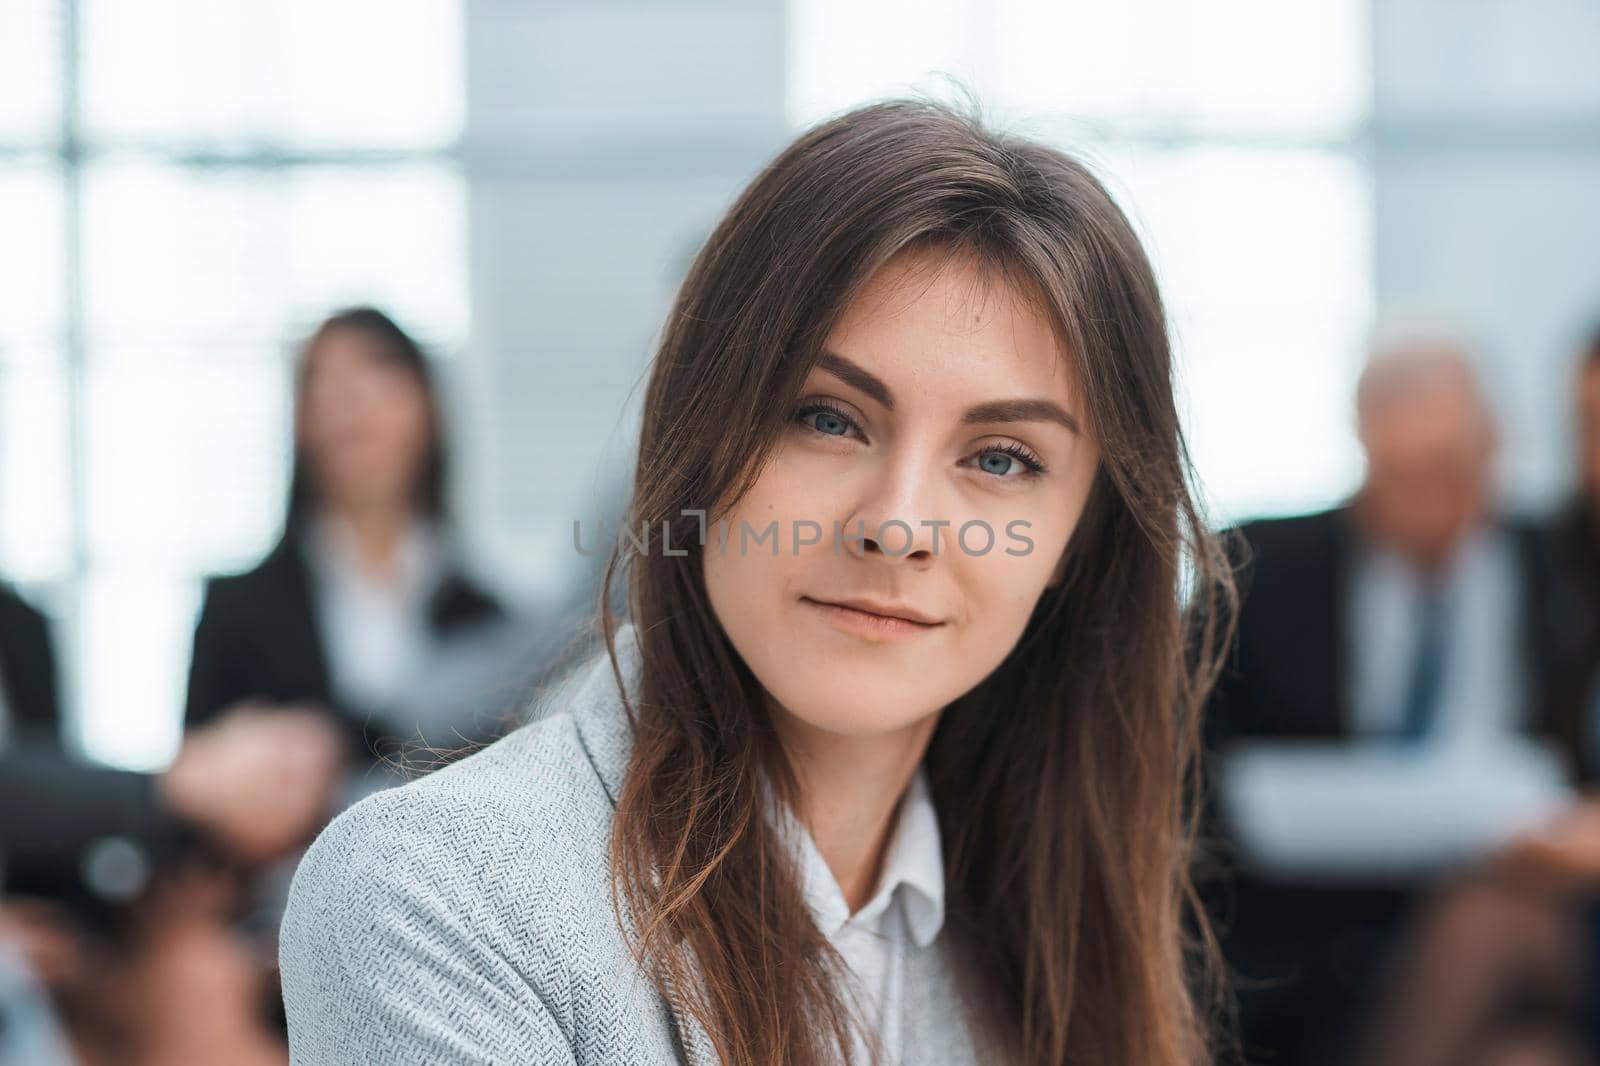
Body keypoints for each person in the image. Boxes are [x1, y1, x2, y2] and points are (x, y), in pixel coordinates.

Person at [277, 94, 1240, 1066]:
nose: (896, 525)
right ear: (700, 437)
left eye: (999, 458)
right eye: (826, 417)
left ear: (1076, 538)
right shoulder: (431, 893)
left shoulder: (1055, 940)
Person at [1202, 332, 1562, 1066]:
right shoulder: (1258, 569)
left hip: (1504, 904)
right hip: (1300, 932)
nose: (1428, 504)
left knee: (1488, 934)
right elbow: (1183, 763)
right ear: (1361, 452)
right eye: (1399, 475)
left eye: (1450, 469)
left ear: (1496, 446)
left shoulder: (1564, 570)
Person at [184, 306, 556, 785]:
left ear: (429, 408)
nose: (348, 401)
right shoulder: (236, 611)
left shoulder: (490, 620)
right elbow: (197, 798)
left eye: (376, 371)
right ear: (299, 421)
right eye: (321, 380)